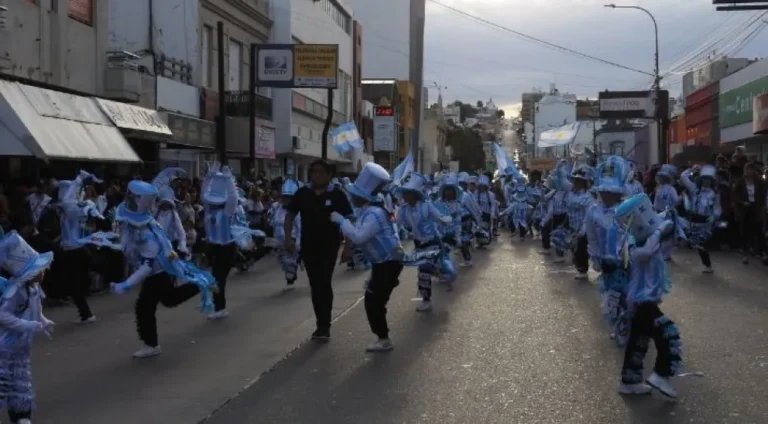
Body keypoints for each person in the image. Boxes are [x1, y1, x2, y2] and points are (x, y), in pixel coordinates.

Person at [111, 180, 216, 358]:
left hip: (157, 272)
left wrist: (126, 284)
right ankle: (200, 283)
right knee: (169, 299)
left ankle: (151, 344)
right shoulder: (142, 223)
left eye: (132, 198)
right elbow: (127, 245)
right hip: (158, 270)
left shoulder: (147, 232)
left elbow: (147, 266)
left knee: (145, 307)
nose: (128, 200)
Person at [614, 193, 682, 398]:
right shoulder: (631, 244)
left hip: (644, 300)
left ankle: (629, 381)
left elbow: (663, 225)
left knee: (639, 339)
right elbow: (647, 252)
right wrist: (659, 231)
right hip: (641, 301)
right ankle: (661, 374)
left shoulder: (644, 237)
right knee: (667, 333)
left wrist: (667, 218)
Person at [330, 163, 404, 352]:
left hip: (389, 263)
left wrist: (342, 221)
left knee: (373, 301)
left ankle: (383, 338)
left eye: (354, 195)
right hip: (383, 263)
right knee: (375, 300)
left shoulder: (374, 214)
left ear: (361, 197)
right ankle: (382, 335)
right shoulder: (366, 212)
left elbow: (359, 236)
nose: (351, 197)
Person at [284, 160, 354, 341]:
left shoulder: (337, 195)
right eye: (314, 172)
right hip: (308, 245)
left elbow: (349, 220)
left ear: (329, 175)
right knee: (315, 284)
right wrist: (288, 237)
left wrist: (348, 247)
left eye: (321, 172)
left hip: (330, 245)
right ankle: (320, 323)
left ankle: (325, 325)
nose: (317, 175)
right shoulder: (302, 193)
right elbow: (289, 216)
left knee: (324, 281)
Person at [0, 231, 56, 424]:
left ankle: (22, 415)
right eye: (39, 270)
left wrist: (43, 321)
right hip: (5, 346)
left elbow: (36, 310)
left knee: (21, 382)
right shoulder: (14, 291)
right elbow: (2, 315)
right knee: (3, 383)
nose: (43, 272)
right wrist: (28, 325)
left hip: (21, 347)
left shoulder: (34, 289)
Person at [201, 164, 238, 320]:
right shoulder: (209, 211)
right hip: (213, 248)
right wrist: (209, 177)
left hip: (226, 248)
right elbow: (203, 195)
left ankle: (220, 308)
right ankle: (219, 306)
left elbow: (233, 198)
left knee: (218, 278)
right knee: (214, 278)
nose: (211, 203)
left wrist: (229, 179)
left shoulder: (227, 212)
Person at [680, 165, 720, 273]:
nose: (706, 181)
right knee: (697, 244)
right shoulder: (694, 189)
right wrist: (692, 169)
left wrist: (714, 216)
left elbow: (717, 208)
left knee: (702, 243)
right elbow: (683, 177)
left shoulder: (714, 193)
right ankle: (707, 264)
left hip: (706, 220)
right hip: (694, 219)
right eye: (704, 179)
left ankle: (708, 265)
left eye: (708, 179)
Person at [270, 178, 302, 290]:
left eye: (289, 198)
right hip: (279, 240)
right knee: (283, 261)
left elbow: (299, 228)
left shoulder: (297, 212)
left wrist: (297, 243)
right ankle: (290, 274)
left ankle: (291, 277)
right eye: (284, 197)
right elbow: (274, 224)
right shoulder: (277, 208)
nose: (286, 200)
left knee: (290, 261)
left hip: (291, 239)